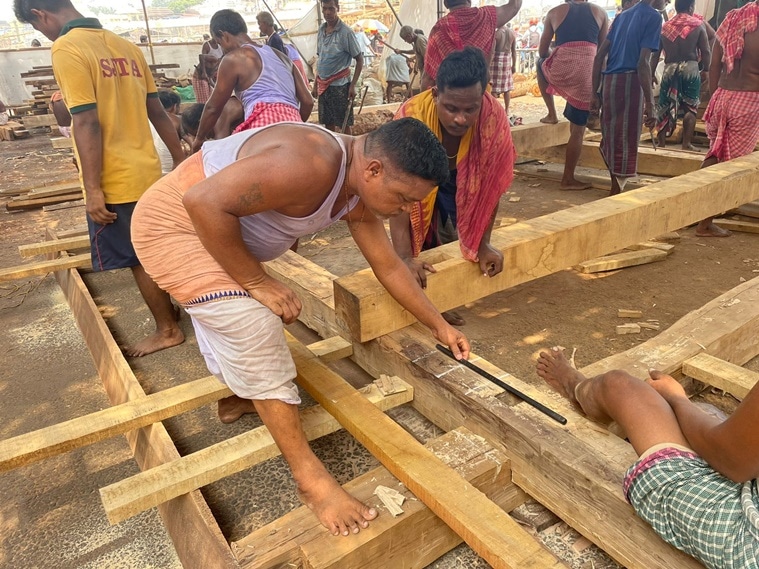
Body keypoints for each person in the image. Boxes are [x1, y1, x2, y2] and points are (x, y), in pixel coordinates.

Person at [130, 118, 469, 535]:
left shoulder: (356, 188)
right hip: (174, 228)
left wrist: (439, 326)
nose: (405, 210)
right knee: (250, 319)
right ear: (374, 169)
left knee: (237, 312)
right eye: (402, 198)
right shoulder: (311, 162)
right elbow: (201, 202)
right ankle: (311, 482)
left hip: (212, 230)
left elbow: (389, 267)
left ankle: (245, 394)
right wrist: (256, 281)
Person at [14, 0, 185, 357]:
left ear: (39, 14)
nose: (42, 35)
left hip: (117, 177)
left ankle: (167, 329)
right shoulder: (125, 47)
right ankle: (173, 312)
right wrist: (181, 158)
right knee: (156, 246)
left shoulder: (67, 47)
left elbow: (86, 121)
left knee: (138, 256)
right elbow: (158, 111)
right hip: (148, 170)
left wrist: (93, 188)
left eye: (36, 28)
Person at [536, 346, 759, 569]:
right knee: (706, 420)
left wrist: (677, 399)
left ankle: (575, 388)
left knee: (619, 386)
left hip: (744, 538)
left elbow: (729, 460)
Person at [391, 48, 515, 326]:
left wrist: (484, 244)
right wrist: (402, 258)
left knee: (449, 239)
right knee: (417, 241)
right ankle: (424, 300)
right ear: (435, 95)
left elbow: (491, 185)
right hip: (416, 182)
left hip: (461, 177)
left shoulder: (493, 118)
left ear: (483, 97)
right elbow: (398, 194)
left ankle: (440, 297)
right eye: (451, 108)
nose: (461, 119)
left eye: (471, 109)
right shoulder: (411, 118)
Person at [190, 10, 313, 153]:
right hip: (296, 125)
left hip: (263, 127)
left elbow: (213, 107)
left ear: (223, 35)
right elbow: (308, 102)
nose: (223, 50)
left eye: (219, 43)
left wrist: (199, 139)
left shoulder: (233, 59)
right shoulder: (282, 57)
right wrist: (291, 122)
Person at [695, 0, 759, 237]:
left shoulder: (733, 17)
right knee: (730, 168)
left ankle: (697, 213)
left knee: (715, 154)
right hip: (749, 100)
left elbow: (714, 63)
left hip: (722, 95)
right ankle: (704, 222)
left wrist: (714, 97)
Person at [591, 0, 665, 195]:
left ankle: (615, 185)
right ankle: (616, 190)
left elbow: (599, 57)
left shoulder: (622, 16)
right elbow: (642, 62)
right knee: (626, 137)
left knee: (611, 135)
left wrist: (594, 93)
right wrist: (650, 103)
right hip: (630, 83)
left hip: (610, 82)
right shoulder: (653, 17)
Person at [537, 0, 609, 190]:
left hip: (563, 67)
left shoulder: (554, 13)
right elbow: (603, 52)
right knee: (578, 130)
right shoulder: (601, 12)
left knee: (540, 63)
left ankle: (551, 113)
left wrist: (560, 51)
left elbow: (543, 51)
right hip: (589, 71)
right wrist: (599, 88)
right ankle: (567, 178)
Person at [423, 0, 523, 89]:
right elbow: (514, 6)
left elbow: (428, 77)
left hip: (448, 100)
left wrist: (421, 104)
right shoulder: (486, 17)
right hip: (479, 96)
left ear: (445, 3)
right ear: (469, 1)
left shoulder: (438, 29)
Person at [654, 0, 711, 150]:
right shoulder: (698, 25)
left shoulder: (665, 27)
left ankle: (661, 143)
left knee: (664, 105)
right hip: (691, 68)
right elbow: (706, 51)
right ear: (691, 7)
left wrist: (652, 72)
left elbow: (655, 54)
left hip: (669, 68)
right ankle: (686, 143)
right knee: (690, 107)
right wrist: (706, 70)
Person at [312, 0, 363, 133]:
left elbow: (360, 59)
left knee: (343, 123)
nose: (327, 12)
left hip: (340, 86)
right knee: (328, 122)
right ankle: (334, 150)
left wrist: (352, 86)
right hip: (323, 86)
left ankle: (348, 151)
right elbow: (321, 58)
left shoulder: (346, 33)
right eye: (325, 9)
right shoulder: (321, 30)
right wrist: (315, 83)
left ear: (337, 9)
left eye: (331, 9)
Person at [152, 90, 184, 173]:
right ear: (175, 106)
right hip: (170, 170)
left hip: (153, 169)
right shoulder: (176, 120)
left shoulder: (145, 120)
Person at [490, 25, 516, 113]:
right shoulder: (512, 33)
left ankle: (494, 109)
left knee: (492, 86)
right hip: (507, 59)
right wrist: (514, 65)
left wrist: (488, 64)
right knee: (506, 87)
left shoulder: (497, 34)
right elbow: (514, 51)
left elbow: (492, 51)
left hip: (496, 60)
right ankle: (507, 109)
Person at [193, 32, 224, 104]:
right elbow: (201, 56)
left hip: (208, 77)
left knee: (210, 99)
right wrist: (204, 72)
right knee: (203, 102)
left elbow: (211, 78)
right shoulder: (215, 59)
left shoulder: (218, 66)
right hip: (200, 77)